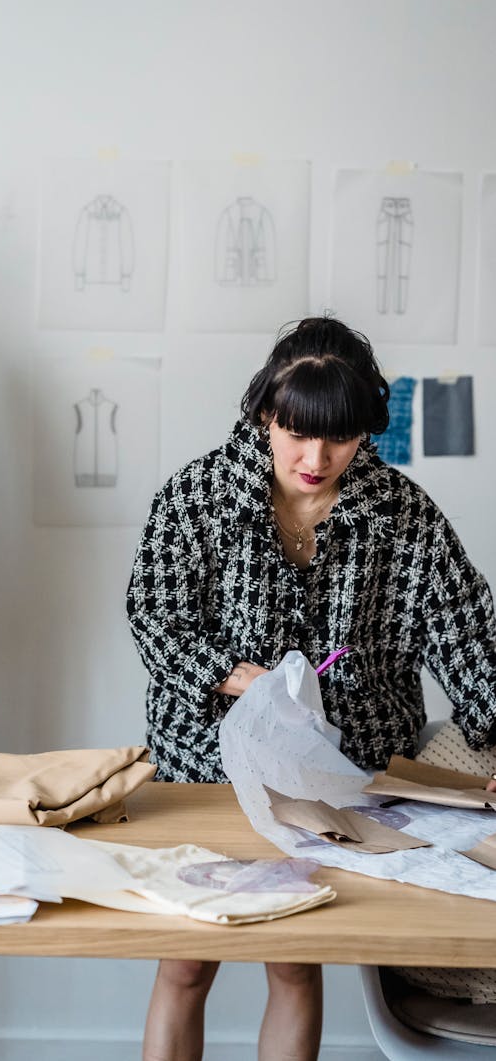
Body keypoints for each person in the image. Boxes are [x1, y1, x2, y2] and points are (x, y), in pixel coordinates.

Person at [126, 315, 496, 1061]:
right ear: (266, 411)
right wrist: (244, 680)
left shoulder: (404, 517)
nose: (315, 456)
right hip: (207, 771)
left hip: (342, 784)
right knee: (187, 956)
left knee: (296, 955)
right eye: (296, 431)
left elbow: (472, 641)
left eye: (339, 437)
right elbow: (153, 615)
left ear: (366, 430)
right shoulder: (198, 497)